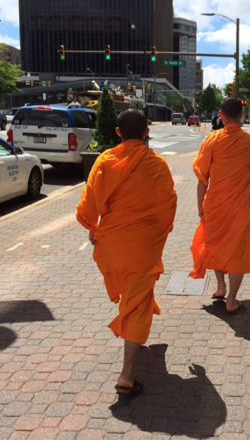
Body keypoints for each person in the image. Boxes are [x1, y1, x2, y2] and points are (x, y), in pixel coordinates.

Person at [76, 108, 177, 397]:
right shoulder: (156, 164)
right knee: (136, 303)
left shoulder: (105, 161)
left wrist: (94, 229)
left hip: (112, 244)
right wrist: (159, 232)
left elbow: (87, 207)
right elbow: (169, 203)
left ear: (118, 133)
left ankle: (135, 331)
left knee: (133, 296)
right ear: (147, 132)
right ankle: (126, 376)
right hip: (143, 245)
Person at [190, 97, 250, 314]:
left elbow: (202, 178)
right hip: (242, 209)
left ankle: (220, 286)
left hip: (215, 206)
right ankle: (231, 299)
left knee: (215, 245)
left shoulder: (212, 141)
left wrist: (200, 206)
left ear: (221, 115)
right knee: (238, 253)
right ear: (243, 116)